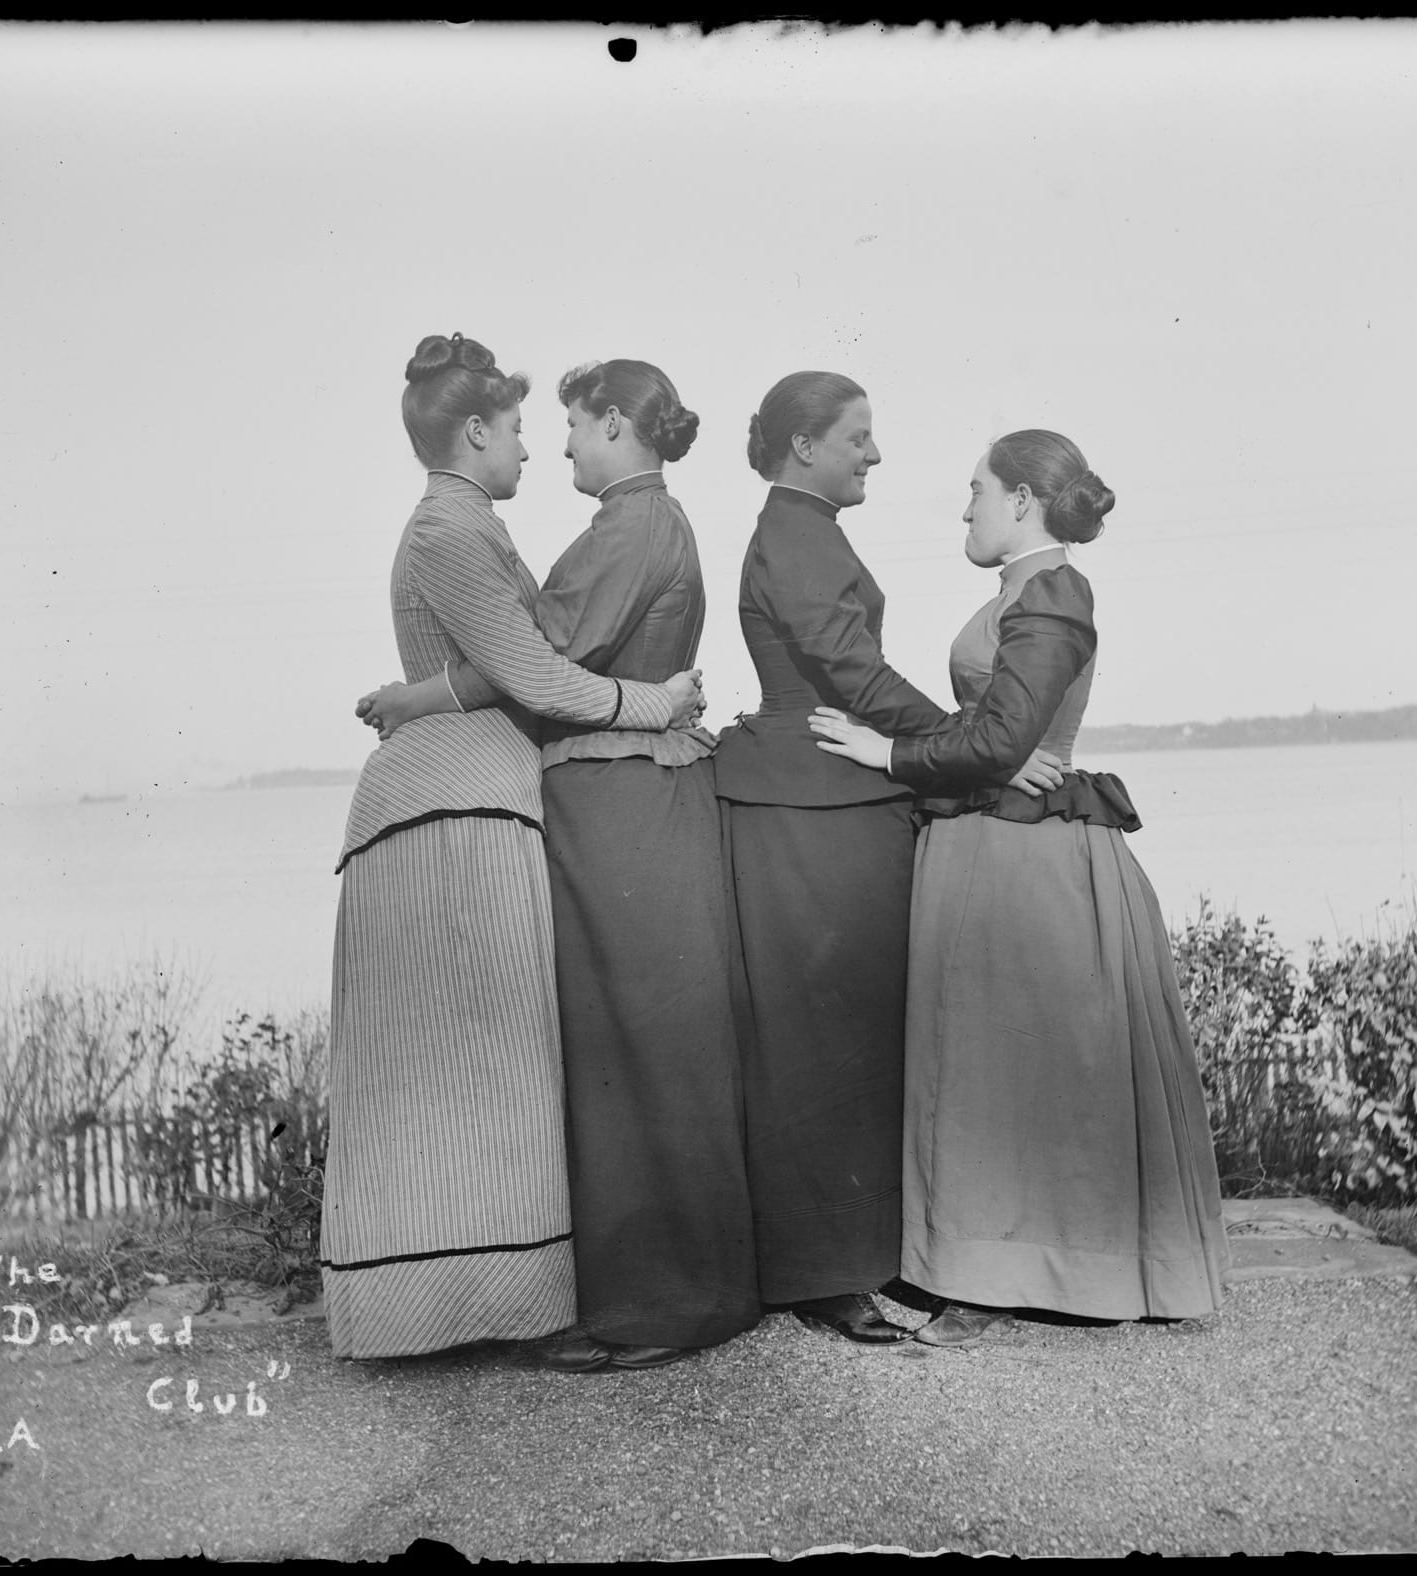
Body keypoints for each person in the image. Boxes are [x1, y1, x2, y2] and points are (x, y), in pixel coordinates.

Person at [357, 359, 759, 1372]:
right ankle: (640, 1290)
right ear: (480, 433)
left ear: (616, 424)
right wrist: (448, 687)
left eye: (570, 426)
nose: (552, 445)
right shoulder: (574, 525)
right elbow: (532, 655)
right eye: (537, 428)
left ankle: (668, 1298)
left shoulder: (628, 525)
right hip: (613, 777)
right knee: (617, 1047)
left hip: (621, 784)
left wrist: (425, 693)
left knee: (636, 1044)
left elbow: (540, 656)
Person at [809, 429, 1231, 1346]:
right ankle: (986, 1262)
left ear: (1022, 503)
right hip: (995, 839)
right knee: (1002, 1068)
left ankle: (1017, 1270)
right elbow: (1001, 731)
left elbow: (1002, 742)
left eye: (976, 491)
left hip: (1027, 854)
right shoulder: (1024, 590)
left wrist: (885, 751)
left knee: (1016, 1069)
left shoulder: (1053, 590)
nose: (964, 508)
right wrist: (975, 744)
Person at [713, 372, 1066, 1344]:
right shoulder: (792, 535)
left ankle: (853, 1256)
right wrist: (979, 734)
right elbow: (851, 671)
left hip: (828, 788)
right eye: (857, 436)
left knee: (845, 1036)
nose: (873, 454)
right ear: (802, 445)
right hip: (806, 793)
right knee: (817, 1040)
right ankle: (820, 1273)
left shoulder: (806, 531)